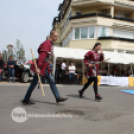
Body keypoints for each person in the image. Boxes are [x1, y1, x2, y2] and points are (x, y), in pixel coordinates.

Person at [22, 30, 68, 104]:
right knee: (34, 83)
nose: (56, 38)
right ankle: (26, 99)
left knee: (51, 81)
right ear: (51, 36)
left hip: (45, 66)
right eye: (55, 36)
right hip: (42, 66)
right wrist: (39, 68)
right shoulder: (46, 44)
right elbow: (42, 56)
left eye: (57, 36)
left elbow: (46, 56)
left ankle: (58, 97)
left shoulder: (50, 44)